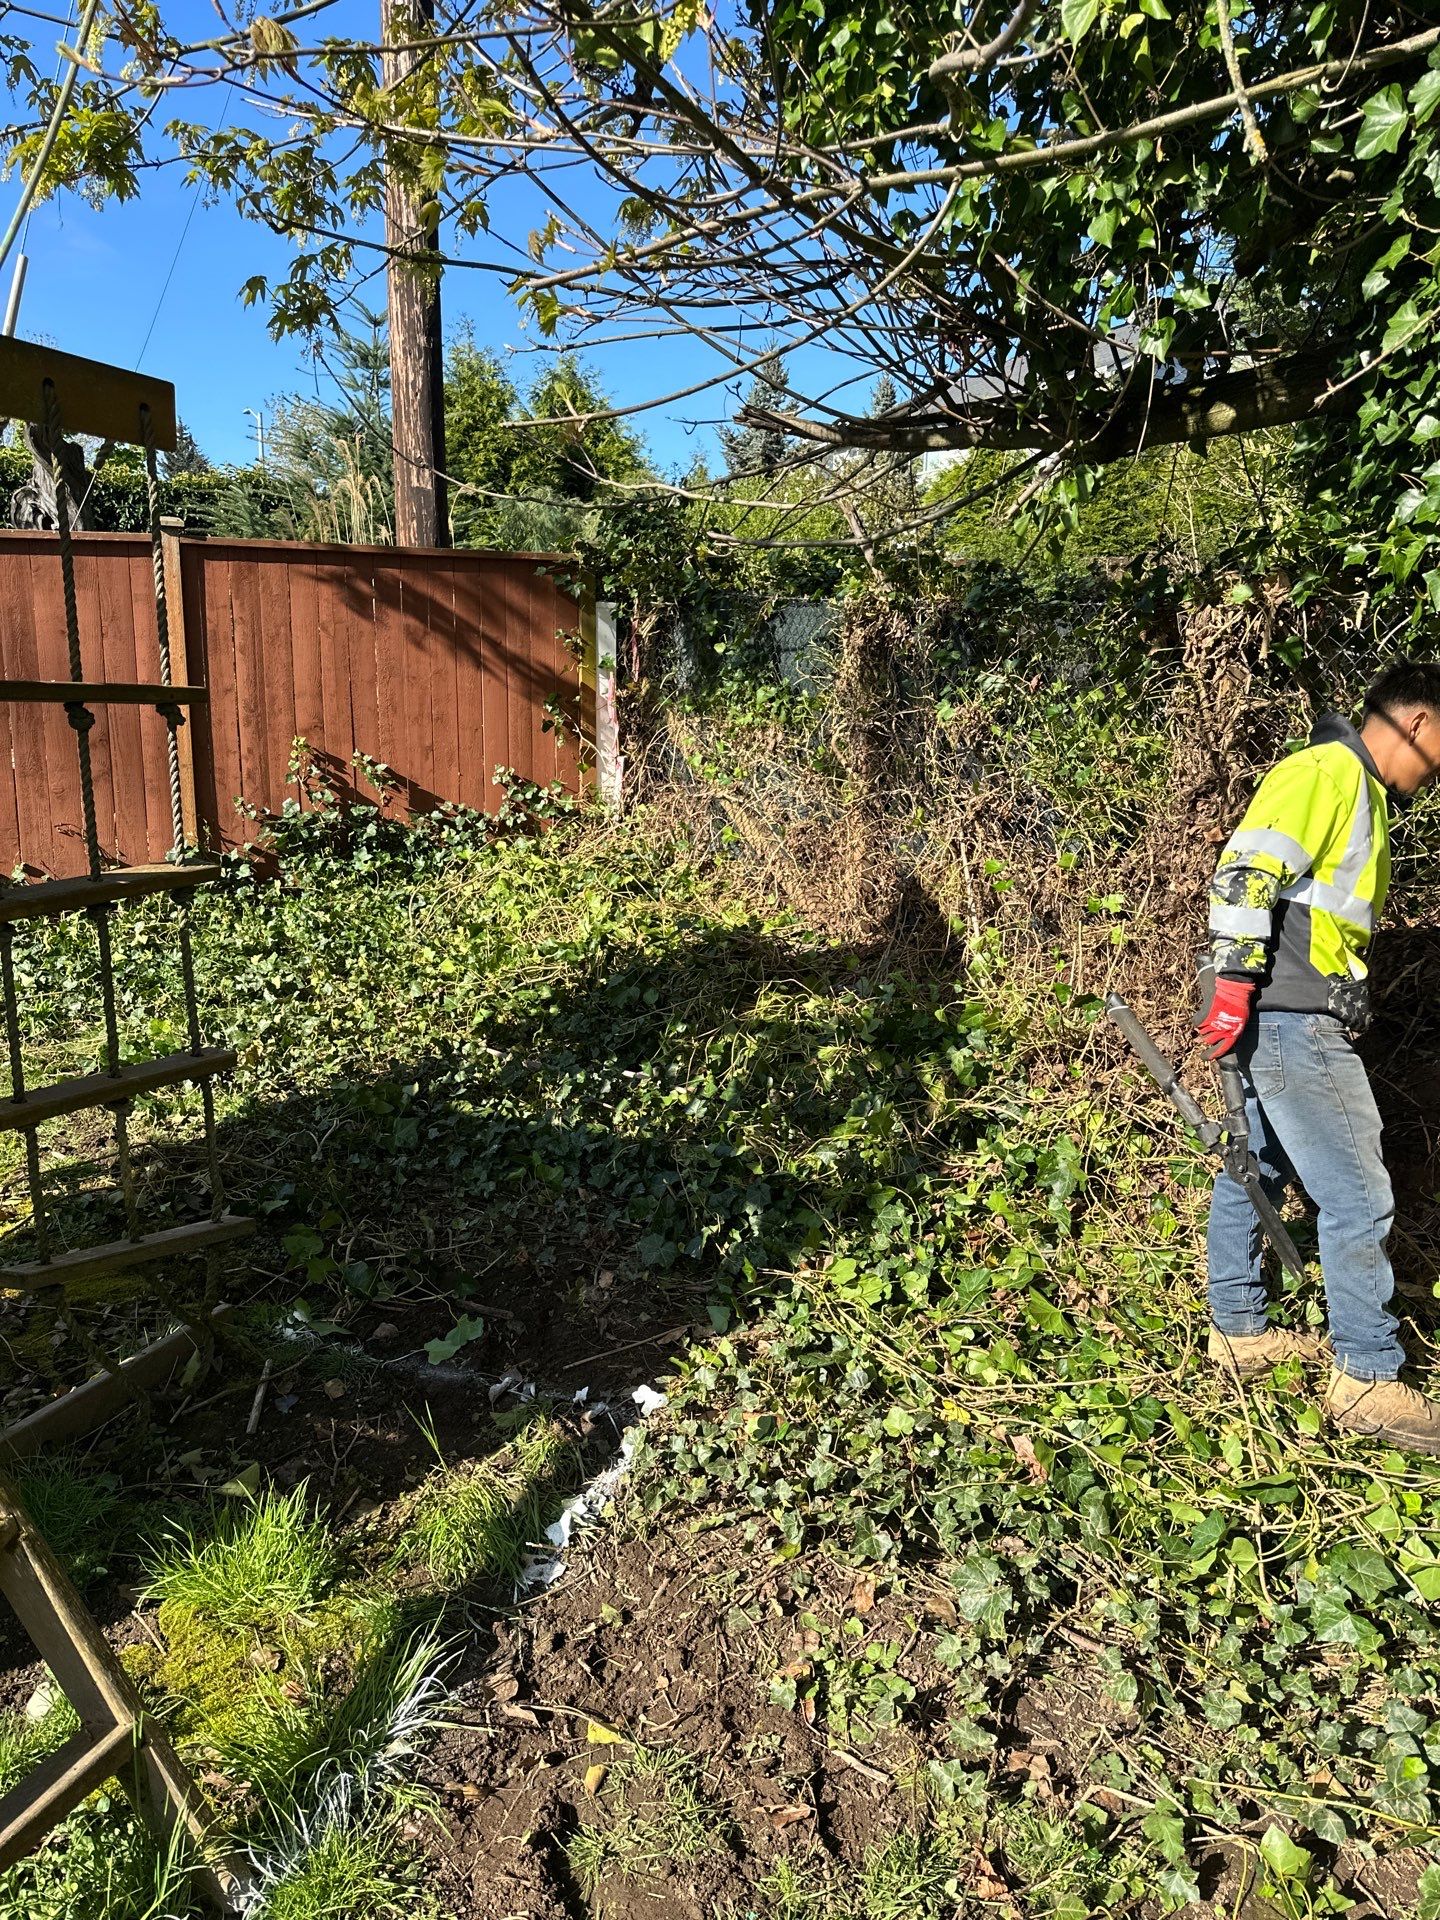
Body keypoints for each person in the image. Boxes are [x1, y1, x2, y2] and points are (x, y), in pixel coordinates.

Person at [1197, 661, 1440, 1451]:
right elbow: (1244, 872)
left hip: (1288, 1011)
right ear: (1420, 724)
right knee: (1359, 1195)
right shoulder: (1325, 771)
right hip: (1293, 1016)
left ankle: (1238, 1332)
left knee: (1254, 1166)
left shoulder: (1360, 789)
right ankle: (1367, 1377)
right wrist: (1231, 981)